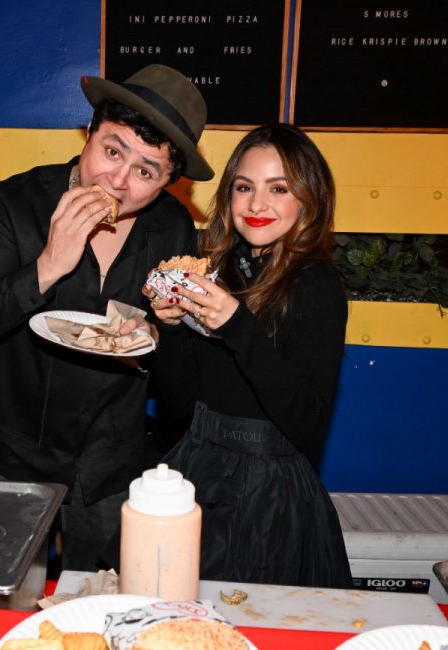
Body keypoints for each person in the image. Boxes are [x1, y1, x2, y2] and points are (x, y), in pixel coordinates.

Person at [0, 64, 214, 571]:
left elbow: (180, 392)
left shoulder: (172, 229)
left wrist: (165, 330)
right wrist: (48, 266)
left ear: (168, 182)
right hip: (14, 462)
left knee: (103, 611)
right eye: (113, 151)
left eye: (145, 171)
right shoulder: (17, 202)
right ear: (88, 134)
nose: (118, 181)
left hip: (115, 470)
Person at [146, 123, 352, 587]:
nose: (257, 205)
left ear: (309, 198)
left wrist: (238, 326)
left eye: (278, 188)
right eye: (244, 187)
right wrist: (172, 326)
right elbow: (177, 407)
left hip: (269, 495)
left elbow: (307, 424)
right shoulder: (218, 272)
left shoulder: (316, 286)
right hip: (195, 470)